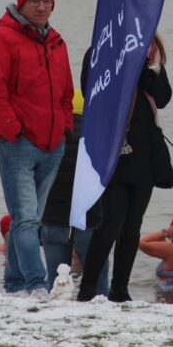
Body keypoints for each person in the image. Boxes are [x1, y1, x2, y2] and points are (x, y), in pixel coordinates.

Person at [0, 0, 74, 300]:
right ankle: (36, 284)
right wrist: (12, 131)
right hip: (17, 144)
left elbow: (65, 93)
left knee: (28, 219)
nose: (42, 7)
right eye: (35, 2)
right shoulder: (0, 39)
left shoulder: (57, 42)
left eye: (47, 2)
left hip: (52, 144)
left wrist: (62, 128)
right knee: (28, 218)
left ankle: (15, 284)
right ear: (21, 5)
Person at [78, 35, 173, 303]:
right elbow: (89, 90)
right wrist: (124, 66)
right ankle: (87, 289)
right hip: (115, 149)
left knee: (133, 226)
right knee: (110, 223)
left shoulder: (152, 55)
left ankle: (120, 289)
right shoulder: (100, 49)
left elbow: (163, 98)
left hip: (146, 151)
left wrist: (144, 73)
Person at [39, 90, 109, 295]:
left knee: (56, 283)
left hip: (52, 218)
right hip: (88, 218)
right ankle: (103, 310)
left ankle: (55, 318)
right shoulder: (97, 137)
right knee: (98, 281)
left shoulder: (48, 135)